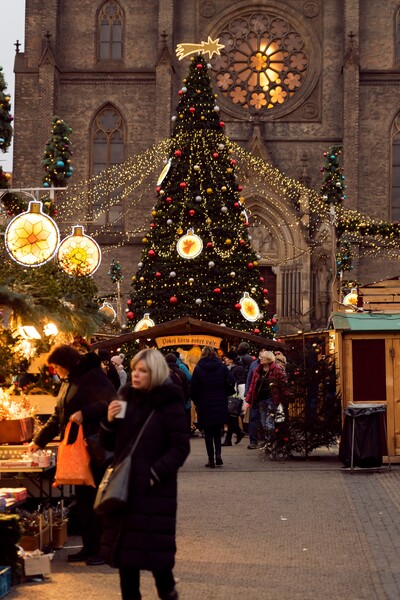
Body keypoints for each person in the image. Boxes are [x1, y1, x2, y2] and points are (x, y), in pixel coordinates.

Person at [99, 349, 190, 600]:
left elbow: (180, 447)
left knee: (156, 558)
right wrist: (108, 421)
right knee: (127, 560)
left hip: (153, 491)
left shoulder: (169, 403)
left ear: (155, 373)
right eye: (134, 369)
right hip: (125, 488)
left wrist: (156, 472)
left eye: (143, 371)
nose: (136, 375)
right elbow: (108, 443)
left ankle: (168, 592)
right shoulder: (125, 396)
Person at [28, 344, 117, 565]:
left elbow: (112, 404)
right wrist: (37, 442)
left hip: (96, 447)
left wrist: (85, 413)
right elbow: (58, 416)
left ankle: (103, 551)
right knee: (84, 501)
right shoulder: (68, 382)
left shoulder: (93, 376)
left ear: (66, 364)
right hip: (78, 451)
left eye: (57, 366)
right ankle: (89, 547)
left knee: (97, 500)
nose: (56, 371)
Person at [190, 346, 235, 468]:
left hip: (204, 403)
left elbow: (193, 387)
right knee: (217, 430)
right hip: (220, 401)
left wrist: (197, 400)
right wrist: (225, 391)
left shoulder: (199, 368)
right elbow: (232, 379)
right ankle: (218, 454)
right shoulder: (221, 366)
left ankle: (211, 459)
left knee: (208, 432)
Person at [246, 350, 288, 450]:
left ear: (269, 359)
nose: (261, 359)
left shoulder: (276, 369)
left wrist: (285, 396)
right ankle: (269, 441)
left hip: (272, 398)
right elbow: (253, 384)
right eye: (261, 358)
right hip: (261, 399)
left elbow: (283, 383)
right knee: (263, 422)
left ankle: (270, 443)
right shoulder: (258, 370)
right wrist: (249, 397)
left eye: (263, 358)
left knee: (270, 422)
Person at [222, 349, 246, 446]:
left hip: (235, 396)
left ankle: (232, 437)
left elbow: (240, 381)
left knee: (231, 417)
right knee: (232, 418)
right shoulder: (230, 367)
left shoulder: (238, 368)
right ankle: (237, 434)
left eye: (227, 358)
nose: (225, 359)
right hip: (231, 394)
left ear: (231, 359)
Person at [165, 352, 191, 432]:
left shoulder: (162, 373)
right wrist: (185, 399)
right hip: (180, 402)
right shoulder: (181, 372)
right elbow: (187, 386)